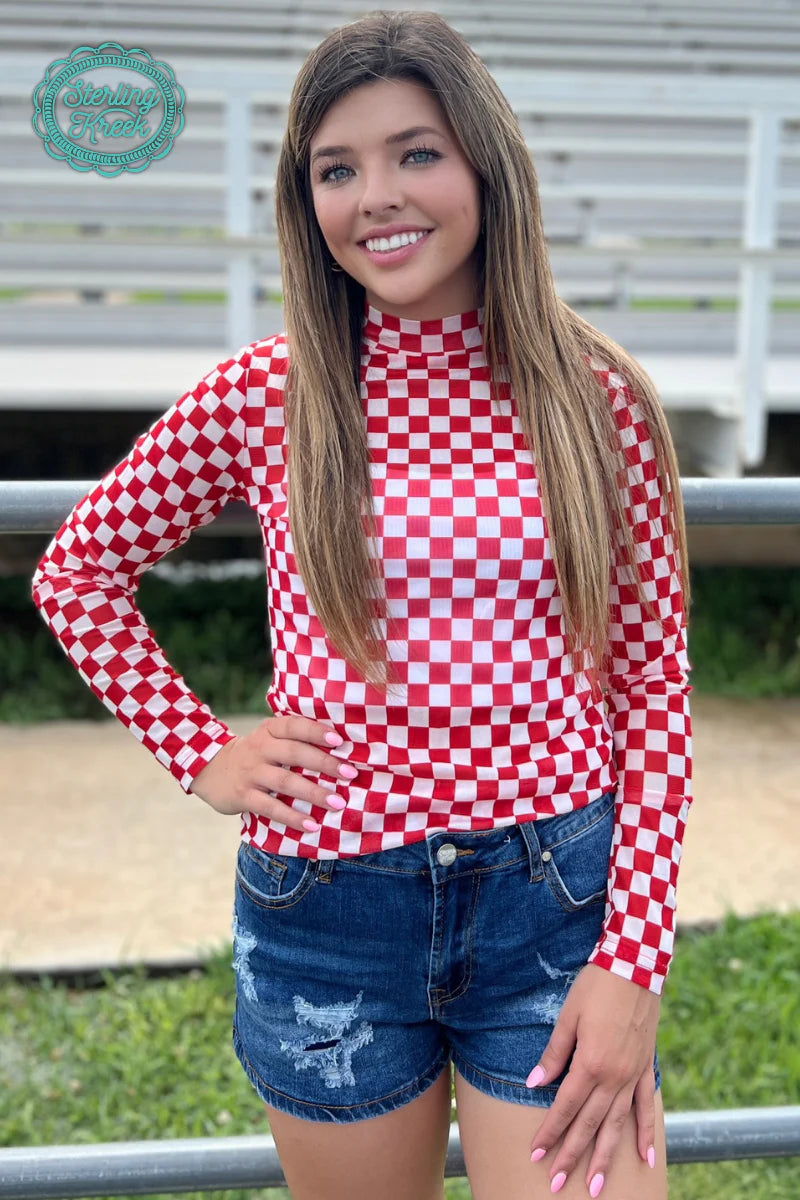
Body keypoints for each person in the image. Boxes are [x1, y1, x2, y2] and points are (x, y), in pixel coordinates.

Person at [31, 9, 693, 1199]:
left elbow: (649, 687)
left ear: (485, 167)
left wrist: (632, 962)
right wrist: (205, 752)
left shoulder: (599, 400)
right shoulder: (264, 394)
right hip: (327, 909)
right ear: (307, 202)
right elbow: (75, 572)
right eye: (337, 169)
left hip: (551, 903)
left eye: (415, 153)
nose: (376, 195)